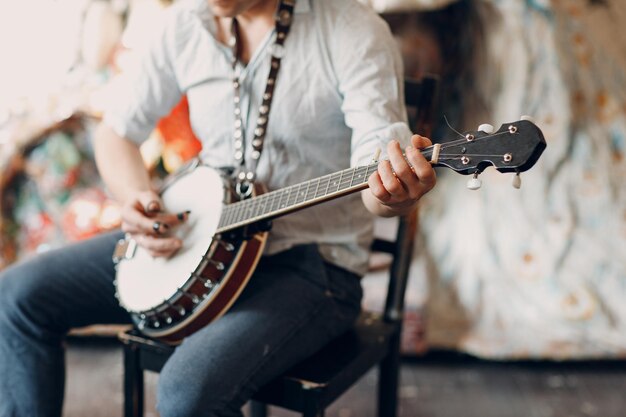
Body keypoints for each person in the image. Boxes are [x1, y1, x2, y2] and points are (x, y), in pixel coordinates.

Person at [0, 0, 436, 416]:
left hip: (312, 267)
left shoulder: (353, 29)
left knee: (186, 395)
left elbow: (376, 169)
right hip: (197, 238)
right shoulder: (186, 22)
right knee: (18, 295)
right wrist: (135, 194)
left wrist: (390, 192)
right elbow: (115, 132)